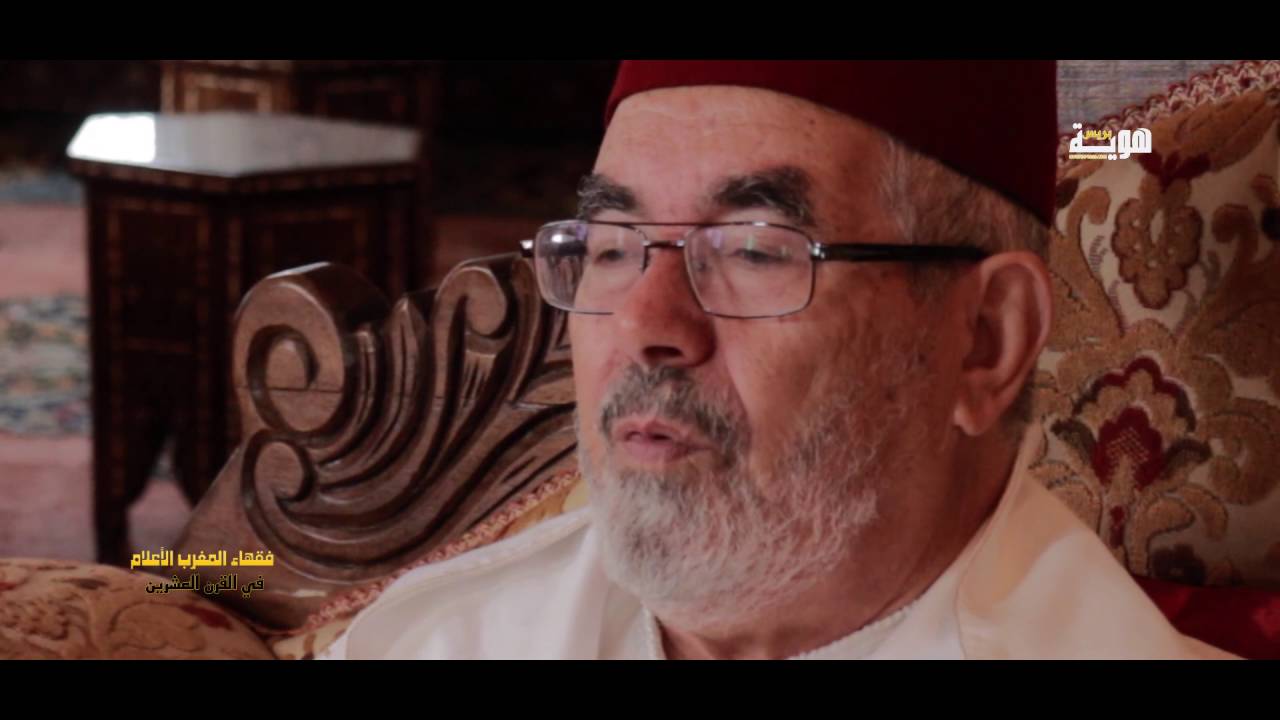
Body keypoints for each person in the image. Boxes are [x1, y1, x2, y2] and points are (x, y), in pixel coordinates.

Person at [319, 61, 1234, 659]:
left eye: (755, 250)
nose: (645, 323)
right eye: (611, 245)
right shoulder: (441, 640)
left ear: (985, 339)